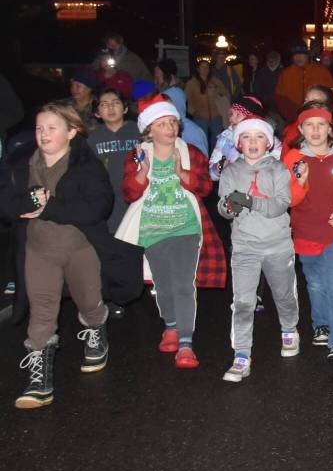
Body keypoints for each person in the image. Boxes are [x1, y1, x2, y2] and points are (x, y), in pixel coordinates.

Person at [2, 103, 143, 408]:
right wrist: (23, 202)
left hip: (81, 248)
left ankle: (96, 330)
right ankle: (39, 382)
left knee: (89, 303)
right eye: (39, 128)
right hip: (39, 250)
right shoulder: (22, 164)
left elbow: (98, 208)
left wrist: (49, 207)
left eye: (52, 128)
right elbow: (6, 202)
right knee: (41, 312)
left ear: (71, 132)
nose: (43, 134)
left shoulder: (85, 165)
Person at [115, 95, 226, 369]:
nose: (170, 128)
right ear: (149, 130)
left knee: (183, 286)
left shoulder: (190, 152)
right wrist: (142, 173)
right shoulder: (138, 154)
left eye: (173, 122)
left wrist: (181, 173)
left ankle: (186, 344)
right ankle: (172, 326)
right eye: (163, 124)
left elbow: (205, 188)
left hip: (185, 227)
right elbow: (129, 192)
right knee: (162, 286)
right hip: (152, 229)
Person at [282, 102, 333, 360]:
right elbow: (289, 200)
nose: (316, 130)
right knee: (315, 282)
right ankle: (321, 324)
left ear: (330, 128)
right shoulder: (293, 159)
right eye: (310, 125)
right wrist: (300, 182)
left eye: (321, 125)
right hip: (306, 231)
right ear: (301, 129)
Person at [218, 116, 301, 380]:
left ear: (268, 142)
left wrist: (247, 201)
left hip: (277, 245)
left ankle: (289, 329)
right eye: (246, 137)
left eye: (259, 137)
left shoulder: (278, 170)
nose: (253, 142)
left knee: (283, 294)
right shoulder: (230, 172)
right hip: (244, 247)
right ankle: (241, 354)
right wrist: (229, 207)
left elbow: (279, 205)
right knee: (243, 302)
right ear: (238, 143)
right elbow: (224, 208)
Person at [87, 89, 137, 232]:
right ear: (97, 113)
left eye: (115, 103)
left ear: (125, 108)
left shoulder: (138, 132)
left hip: (136, 200)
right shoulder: (93, 139)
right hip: (108, 202)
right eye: (104, 104)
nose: (110, 107)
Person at [209, 95, 281, 181]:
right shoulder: (225, 138)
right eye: (231, 114)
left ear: (251, 118)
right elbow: (211, 175)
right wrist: (219, 167)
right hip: (231, 191)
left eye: (238, 115)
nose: (232, 118)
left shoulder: (269, 140)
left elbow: (279, 169)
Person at [275, 42, 333, 122]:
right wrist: (291, 116)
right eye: (295, 55)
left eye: (302, 54)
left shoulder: (321, 71)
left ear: (307, 55)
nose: (298, 57)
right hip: (293, 119)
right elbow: (280, 98)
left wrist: (321, 112)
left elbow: (332, 94)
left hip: (318, 116)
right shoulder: (286, 74)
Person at [185, 59, 230, 148]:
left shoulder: (215, 81)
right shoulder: (191, 83)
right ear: (198, 69)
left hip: (216, 116)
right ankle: (203, 160)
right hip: (199, 117)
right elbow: (187, 98)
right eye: (202, 67)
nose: (205, 69)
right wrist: (192, 111)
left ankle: (216, 160)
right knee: (201, 140)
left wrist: (220, 96)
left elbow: (226, 93)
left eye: (207, 67)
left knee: (217, 141)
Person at [163, 85, 209, 157]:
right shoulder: (165, 127)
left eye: (167, 103)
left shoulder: (192, 131)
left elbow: (201, 161)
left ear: (177, 104)